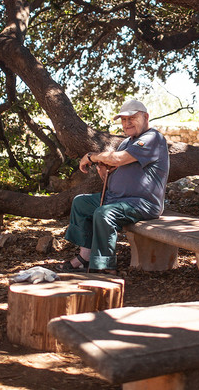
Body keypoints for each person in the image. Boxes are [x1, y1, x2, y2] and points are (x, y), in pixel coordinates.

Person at [60, 99, 169, 274]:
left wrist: (91, 156)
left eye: (132, 118)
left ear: (146, 117)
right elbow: (111, 175)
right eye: (123, 120)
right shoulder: (126, 143)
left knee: (104, 213)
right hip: (117, 199)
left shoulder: (153, 138)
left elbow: (117, 159)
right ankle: (85, 257)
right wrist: (104, 172)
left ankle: (104, 267)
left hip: (142, 203)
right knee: (81, 203)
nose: (127, 123)